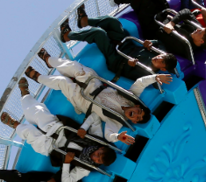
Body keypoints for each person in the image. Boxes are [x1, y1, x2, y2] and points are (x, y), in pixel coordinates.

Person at [0, 77, 117, 182]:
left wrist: (66, 163)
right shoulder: (96, 139)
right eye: (99, 153)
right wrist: (84, 128)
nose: (96, 157)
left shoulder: (85, 168)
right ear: (101, 148)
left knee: (29, 132)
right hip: (61, 130)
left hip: (52, 148)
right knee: (38, 112)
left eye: (99, 160)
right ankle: (25, 95)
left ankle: (14, 124)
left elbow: (67, 181)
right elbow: (95, 117)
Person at [25, 54, 165, 146]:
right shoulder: (131, 97)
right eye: (139, 111)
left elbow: (109, 134)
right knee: (75, 67)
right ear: (137, 106)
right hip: (95, 84)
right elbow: (140, 83)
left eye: (138, 118)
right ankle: (49, 60)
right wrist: (155, 78)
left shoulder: (116, 121)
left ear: (134, 121)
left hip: (85, 102)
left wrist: (117, 137)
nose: (137, 114)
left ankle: (37, 77)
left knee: (63, 82)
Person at [61, 7, 178, 82]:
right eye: (161, 56)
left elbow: (133, 77)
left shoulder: (149, 73)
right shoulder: (159, 52)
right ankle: (85, 22)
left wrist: (129, 64)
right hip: (126, 45)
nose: (158, 57)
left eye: (161, 61)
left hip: (117, 60)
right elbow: (158, 43)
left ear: (162, 68)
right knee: (113, 22)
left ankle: (68, 36)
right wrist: (150, 43)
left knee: (98, 33)